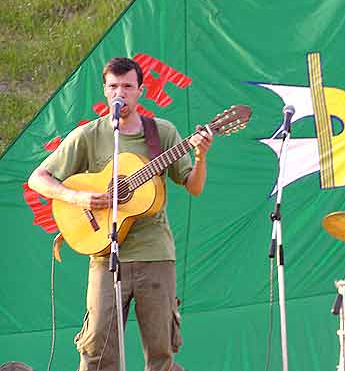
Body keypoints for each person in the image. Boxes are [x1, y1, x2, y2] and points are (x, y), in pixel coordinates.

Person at [28, 57, 213, 371]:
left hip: (155, 254)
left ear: (141, 90)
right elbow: (38, 178)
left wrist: (201, 156)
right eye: (114, 86)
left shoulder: (162, 132)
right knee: (97, 350)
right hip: (106, 255)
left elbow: (193, 187)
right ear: (104, 90)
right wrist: (79, 197)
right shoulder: (89, 135)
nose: (120, 93)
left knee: (161, 352)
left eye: (127, 86)